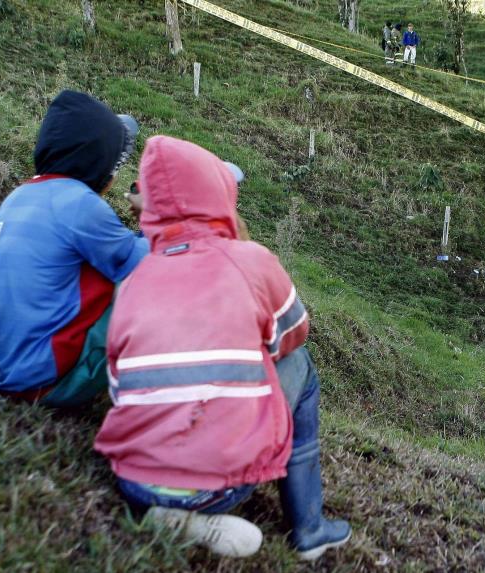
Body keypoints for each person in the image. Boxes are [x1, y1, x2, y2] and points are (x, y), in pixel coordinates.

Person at [94, 135, 351, 560]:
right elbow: (294, 333)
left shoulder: (135, 278)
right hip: (220, 488)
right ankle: (309, 527)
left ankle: (165, 513)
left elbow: (119, 384)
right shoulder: (250, 259)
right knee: (300, 366)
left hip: (133, 477)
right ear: (220, 195)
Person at [0, 90, 149, 407]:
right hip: (44, 381)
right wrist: (156, 214)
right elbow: (149, 264)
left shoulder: (19, 196)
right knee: (152, 283)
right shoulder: (78, 203)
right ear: (100, 164)